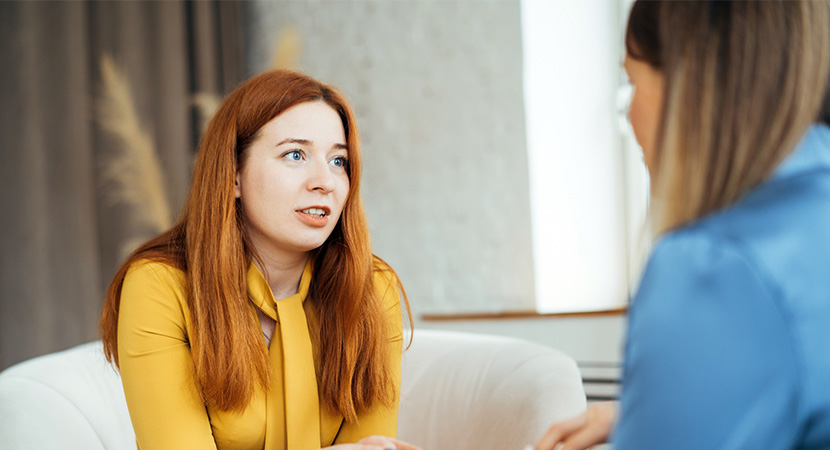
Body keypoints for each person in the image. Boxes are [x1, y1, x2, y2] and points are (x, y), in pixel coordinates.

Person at [535, 1, 830, 449]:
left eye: (632, 82)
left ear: (692, 84)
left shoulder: (714, 266)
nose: (631, 115)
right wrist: (653, 413)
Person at [100, 70, 419, 450]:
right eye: (295, 155)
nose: (326, 181)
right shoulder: (159, 286)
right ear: (233, 176)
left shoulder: (371, 287)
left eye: (338, 161)